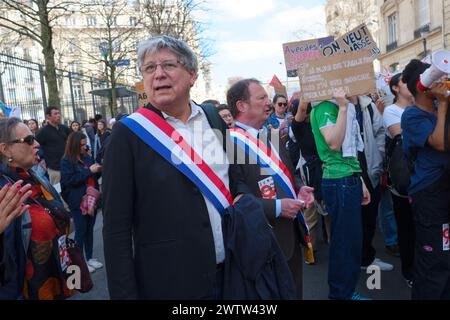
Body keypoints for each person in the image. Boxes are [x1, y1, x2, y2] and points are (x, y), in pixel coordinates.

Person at [102, 35, 233, 299]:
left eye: (168, 65)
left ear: (192, 75)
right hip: (171, 284)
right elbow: (116, 228)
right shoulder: (128, 134)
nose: (158, 75)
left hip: (232, 274)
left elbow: (234, 176)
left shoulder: (213, 120)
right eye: (150, 68)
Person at [226, 78, 315, 299]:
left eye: (267, 97)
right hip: (264, 240)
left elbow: (288, 172)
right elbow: (236, 196)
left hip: (292, 234)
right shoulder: (229, 143)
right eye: (262, 98)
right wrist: (275, 207)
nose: (268, 102)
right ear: (242, 106)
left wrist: (299, 188)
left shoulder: (271, 136)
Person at [0, 117, 71, 299]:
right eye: (29, 140)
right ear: (5, 149)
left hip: (59, 275)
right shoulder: (5, 192)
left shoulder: (36, 176)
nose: (37, 144)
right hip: (28, 290)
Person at [310, 89, 371, 300]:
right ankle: (340, 295)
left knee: (350, 242)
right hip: (339, 180)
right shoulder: (325, 106)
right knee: (345, 244)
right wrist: (344, 107)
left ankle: (344, 292)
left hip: (347, 178)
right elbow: (334, 143)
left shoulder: (336, 105)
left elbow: (350, 152)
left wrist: (359, 179)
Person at [401, 59, 450, 299]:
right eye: (435, 76)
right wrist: (442, 105)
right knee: (434, 259)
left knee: (446, 255)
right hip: (429, 194)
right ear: (422, 85)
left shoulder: (442, 105)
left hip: (444, 189)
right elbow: (440, 143)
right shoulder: (412, 115)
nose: (441, 79)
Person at [347, 94, 393, 272]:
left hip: (369, 169)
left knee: (369, 218)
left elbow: (380, 131)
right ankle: (351, 262)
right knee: (350, 221)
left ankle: (366, 258)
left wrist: (378, 155)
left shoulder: (367, 105)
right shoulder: (333, 106)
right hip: (346, 172)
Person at [383, 73, 416, 287]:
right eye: (405, 81)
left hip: (426, 178)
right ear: (395, 88)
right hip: (404, 179)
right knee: (407, 228)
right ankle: (410, 272)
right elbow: (402, 136)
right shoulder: (391, 111)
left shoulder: (423, 105)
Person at [60, 132, 103, 274]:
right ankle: (80, 262)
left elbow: (93, 175)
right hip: (78, 201)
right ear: (74, 145)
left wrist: (98, 170)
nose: (84, 147)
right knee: (80, 231)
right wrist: (89, 171)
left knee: (90, 229)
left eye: (85, 144)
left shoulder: (86, 157)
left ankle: (89, 258)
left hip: (92, 199)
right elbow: (68, 181)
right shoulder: (66, 161)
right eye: (82, 145)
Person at [291, 99, 330, 251]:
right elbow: (301, 110)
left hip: (325, 170)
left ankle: (334, 245)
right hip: (308, 173)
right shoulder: (298, 126)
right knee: (310, 215)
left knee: (328, 212)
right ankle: (309, 252)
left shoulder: (320, 120)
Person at [35, 107, 71, 186]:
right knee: (57, 190)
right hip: (54, 167)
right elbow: (35, 146)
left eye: (59, 113)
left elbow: (74, 139)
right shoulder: (43, 131)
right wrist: (41, 158)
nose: (58, 115)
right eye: (55, 114)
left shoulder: (64, 128)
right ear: (48, 116)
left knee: (69, 187)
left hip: (67, 165)